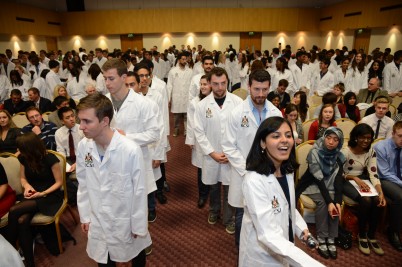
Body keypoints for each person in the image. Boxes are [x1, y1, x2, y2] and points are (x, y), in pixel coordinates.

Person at [76, 94, 150, 266]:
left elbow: (139, 190)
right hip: (98, 217)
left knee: (135, 253)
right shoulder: (83, 147)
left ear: (104, 121)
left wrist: (138, 224)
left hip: (124, 217)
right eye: (81, 121)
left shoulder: (130, 149)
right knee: (104, 258)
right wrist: (85, 215)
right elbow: (83, 183)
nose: (81, 127)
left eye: (87, 121)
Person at [239, 116, 324, 267]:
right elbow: (269, 235)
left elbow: (289, 206)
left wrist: (302, 229)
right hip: (262, 256)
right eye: (276, 136)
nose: (284, 140)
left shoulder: (287, 171)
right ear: (263, 143)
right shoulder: (254, 180)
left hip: (284, 245)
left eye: (288, 135)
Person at [222, 69, 283, 246]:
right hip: (244, 173)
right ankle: (241, 250)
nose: (261, 94)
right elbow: (228, 145)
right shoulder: (237, 112)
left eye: (264, 89)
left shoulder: (276, 113)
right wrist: (247, 169)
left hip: (268, 172)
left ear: (269, 87)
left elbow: (279, 145)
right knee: (242, 214)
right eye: (256, 89)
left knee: (267, 212)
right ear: (249, 87)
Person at [102, 59, 159, 225]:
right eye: (105, 78)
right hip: (111, 161)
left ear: (123, 77)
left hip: (136, 160)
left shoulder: (143, 103)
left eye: (111, 78)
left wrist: (125, 137)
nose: (107, 83)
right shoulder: (102, 103)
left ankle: (142, 238)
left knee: (139, 205)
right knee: (117, 206)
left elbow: (154, 134)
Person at [194, 67, 243, 234]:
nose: (220, 87)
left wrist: (233, 153)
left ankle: (229, 218)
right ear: (210, 84)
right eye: (216, 84)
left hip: (231, 156)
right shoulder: (202, 106)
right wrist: (212, 153)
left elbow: (242, 131)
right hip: (212, 156)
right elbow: (199, 133)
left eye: (223, 83)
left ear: (227, 82)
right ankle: (214, 211)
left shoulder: (237, 103)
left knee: (230, 186)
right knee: (214, 186)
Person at [6, 132, 63, 267]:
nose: (18, 151)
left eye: (21, 148)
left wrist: (42, 193)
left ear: (30, 147)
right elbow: (23, 178)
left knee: (14, 211)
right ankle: (30, 262)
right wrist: (27, 187)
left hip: (50, 195)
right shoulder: (24, 158)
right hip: (33, 193)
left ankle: (8, 247)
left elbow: (59, 183)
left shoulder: (50, 158)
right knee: (22, 220)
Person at [297, 127, 345, 259]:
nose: (331, 142)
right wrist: (330, 201)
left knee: (335, 202)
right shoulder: (314, 153)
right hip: (312, 185)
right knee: (325, 202)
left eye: (335, 140)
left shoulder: (340, 156)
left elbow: (339, 182)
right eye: (328, 138)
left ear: (339, 142)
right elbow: (318, 179)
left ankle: (331, 238)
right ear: (324, 137)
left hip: (328, 186)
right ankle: (322, 236)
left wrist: (337, 203)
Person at [342, 123, 386, 255]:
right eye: (362, 137)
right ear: (355, 137)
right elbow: (336, 173)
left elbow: (373, 173)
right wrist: (354, 179)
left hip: (361, 178)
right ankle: (362, 235)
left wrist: (380, 192)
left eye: (369, 138)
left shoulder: (371, 151)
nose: (366, 141)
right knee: (366, 200)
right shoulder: (345, 151)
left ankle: (371, 235)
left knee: (377, 199)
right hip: (345, 179)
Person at [374, 121, 402, 251]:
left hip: (398, 178)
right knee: (400, 197)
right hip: (383, 179)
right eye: (400, 136)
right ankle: (393, 231)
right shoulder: (381, 147)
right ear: (393, 134)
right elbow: (384, 173)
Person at [185, 75, 211, 208]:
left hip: (214, 139)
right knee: (201, 168)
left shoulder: (216, 101)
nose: (203, 87)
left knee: (214, 168)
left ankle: (212, 194)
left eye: (205, 84)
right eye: (201, 84)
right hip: (199, 139)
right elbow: (190, 122)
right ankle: (202, 195)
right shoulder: (195, 102)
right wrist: (190, 139)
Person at [167, 53, 193, 137]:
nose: (185, 61)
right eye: (183, 59)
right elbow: (169, 85)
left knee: (186, 115)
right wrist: (169, 98)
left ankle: (186, 130)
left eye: (186, 59)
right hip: (176, 96)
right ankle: (176, 129)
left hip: (187, 96)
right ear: (179, 60)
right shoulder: (173, 71)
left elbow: (192, 85)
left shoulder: (190, 71)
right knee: (176, 116)